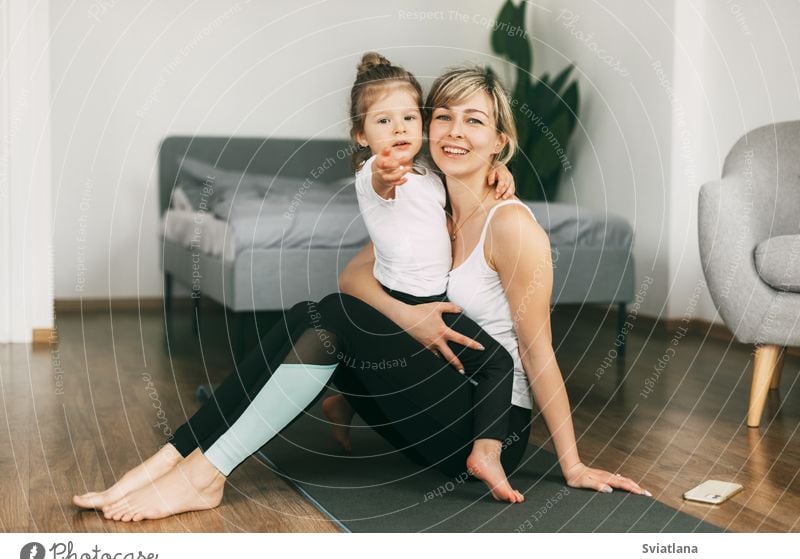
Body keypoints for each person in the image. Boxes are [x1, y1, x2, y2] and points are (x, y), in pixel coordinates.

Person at [73, 62, 650, 523]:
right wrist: (412, 318)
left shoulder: (512, 228)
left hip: (487, 426)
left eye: (475, 122)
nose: (455, 132)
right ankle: (169, 459)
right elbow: (352, 276)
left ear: (500, 140)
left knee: (332, 320)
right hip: (431, 395)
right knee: (317, 313)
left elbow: (538, 351)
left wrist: (571, 464)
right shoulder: (430, 207)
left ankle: (206, 475)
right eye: (443, 117)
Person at [321, 52, 524, 502]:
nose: (398, 130)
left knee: (417, 368)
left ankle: (344, 400)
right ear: (361, 135)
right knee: (496, 363)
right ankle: (487, 454)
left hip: (430, 297)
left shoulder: (429, 175)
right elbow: (381, 182)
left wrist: (497, 166)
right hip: (407, 298)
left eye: (409, 117)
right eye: (383, 121)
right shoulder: (376, 175)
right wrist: (382, 171)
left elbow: (459, 187)